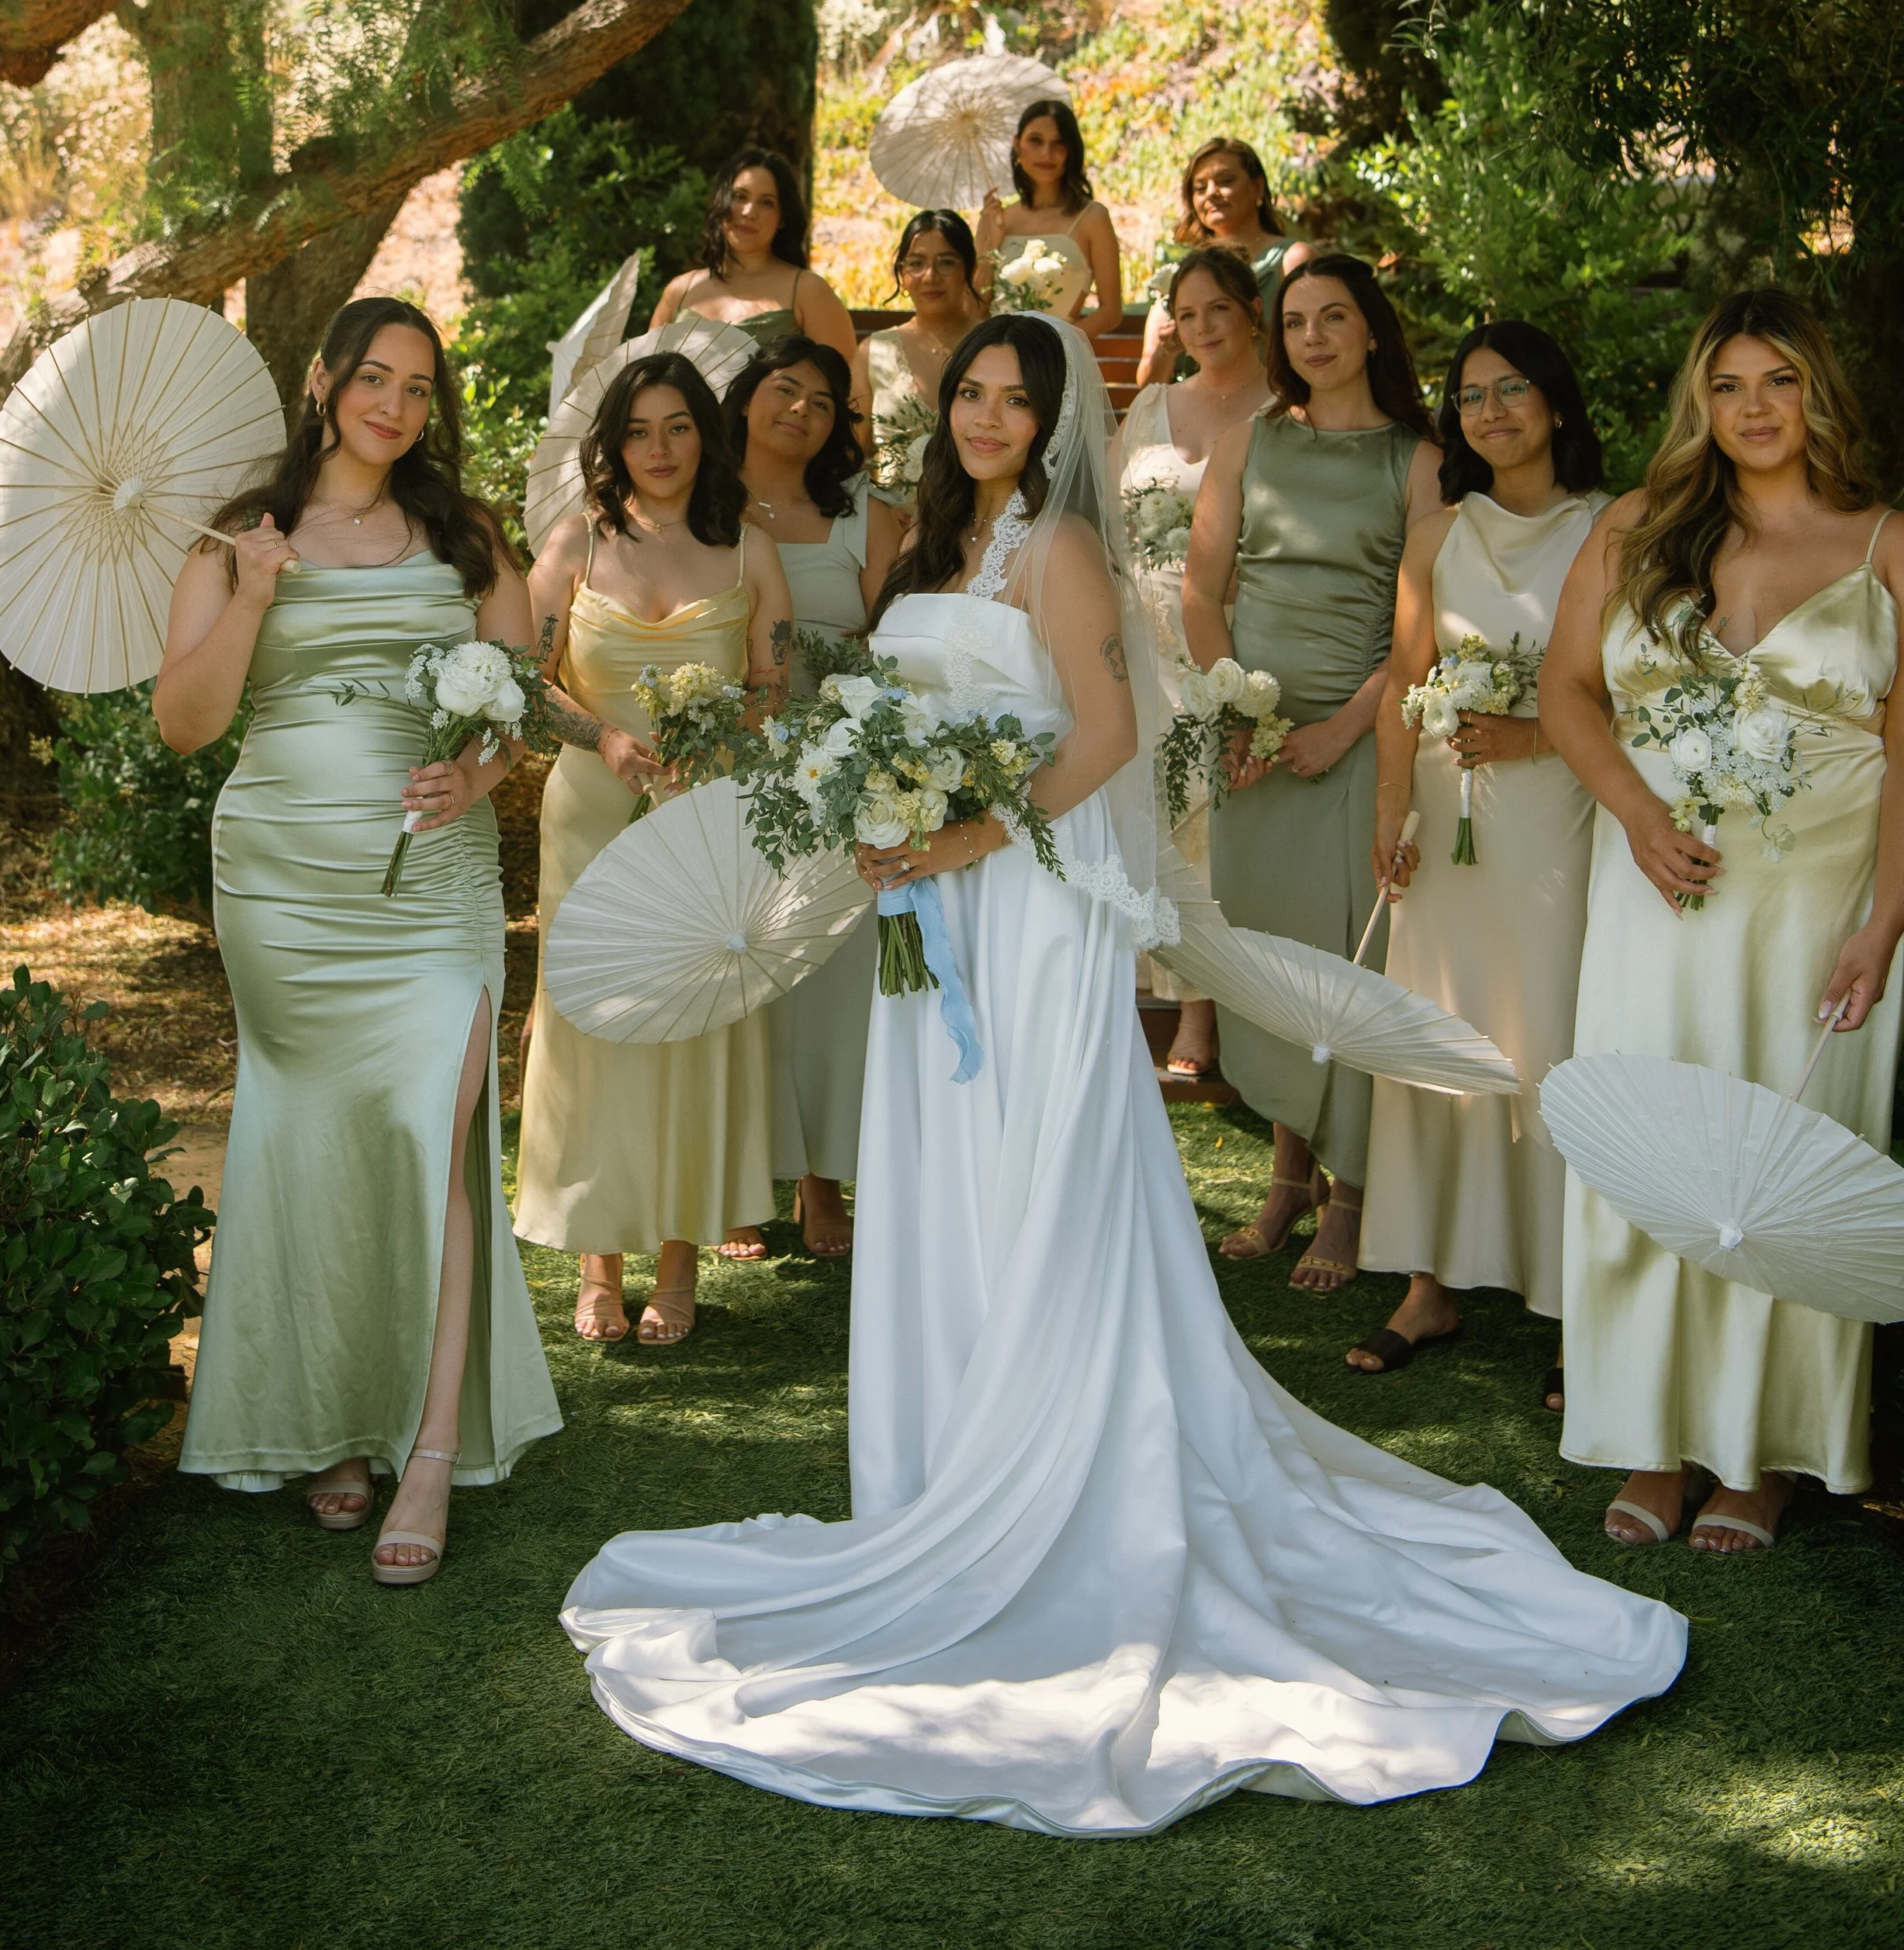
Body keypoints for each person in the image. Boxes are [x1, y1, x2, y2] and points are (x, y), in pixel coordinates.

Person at [558, 313, 1685, 1835]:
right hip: (923, 911)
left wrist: (954, 829)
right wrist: (876, 795)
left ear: (1051, 420)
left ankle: (1057, 1481)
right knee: (946, 1178)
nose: (986, 417)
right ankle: (941, 1470)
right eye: (969, 392)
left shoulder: (1062, 551)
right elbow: (888, 708)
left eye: (1016, 399)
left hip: (1021, 910)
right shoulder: (935, 549)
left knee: (1037, 1176)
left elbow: (1095, 737)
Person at [158, 298, 560, 1582]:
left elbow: (518, 694)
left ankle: (431, 1449)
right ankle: (334, 1422)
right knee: (319, 1139)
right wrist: (254, 594)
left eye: (420, 387)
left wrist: (482, 778)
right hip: (281, 881)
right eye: (374, 377)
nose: (395, 404)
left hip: (431, 883)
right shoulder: (238, 538)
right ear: (325, 381)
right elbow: (186, 722)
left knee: (429, 1147)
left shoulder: (464, 534)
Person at [1541, 288, 1904, 1554]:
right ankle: (1651, 1433)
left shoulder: (1884, 543)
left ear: (1821, 396)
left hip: (1817, 914)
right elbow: (1568, 689)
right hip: (1658, 898)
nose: (1755, 409)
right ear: (1702, 401)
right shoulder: (1639, 529)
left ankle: (1767, 1456)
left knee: (1783, 1160)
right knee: (1657, 1145)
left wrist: (1887, 922)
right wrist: (1637, 815)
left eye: (1781, 383)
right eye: (1731, 386)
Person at [1350, 324, 1608, 1394]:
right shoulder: (1437, 534)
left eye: (1513, 391)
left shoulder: (1612, 529)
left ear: (1554, 404)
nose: (1491, 411)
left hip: (1558, 815)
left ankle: (1572, 1297)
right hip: (1447, 833)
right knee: (1436, 1033)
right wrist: (1393, 814)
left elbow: (1636, 696)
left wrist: (1538, 737)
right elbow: (1405, 686)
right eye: (1469, 396)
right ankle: (1428, 1279)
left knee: (1547, 1038)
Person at [514, 355, 792, 1345]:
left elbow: (775, 682)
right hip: (593, 811)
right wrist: (604, 736)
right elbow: (520, 675)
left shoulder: (748, 549)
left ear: (705, 437)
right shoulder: (575, 545)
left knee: (691, 1026)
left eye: (680, 428)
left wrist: (729, 733)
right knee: (595, 1023)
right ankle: (598, 1262)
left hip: (707, 817)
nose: (661, 449)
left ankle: (677, 1262)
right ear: (613, 442)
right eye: (640, 430)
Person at [1183, 254, 1445, 1292]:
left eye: (1336, 317)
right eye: (1297, 322)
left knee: (1349, 960)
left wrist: (1346, 728)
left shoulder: (1418, 460)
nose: (1316, 337)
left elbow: (1421, 629)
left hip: (1359, 741)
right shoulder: (1248, 443)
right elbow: (1204, 595)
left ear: (1372, 330)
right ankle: (1286, 1178)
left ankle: (1350, 1198)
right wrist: (1234, 708)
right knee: (1271, 959)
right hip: (1255, 747)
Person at [725, 338, 900, 1256]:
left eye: (823, 401)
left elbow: (895, 645)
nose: (801, 409)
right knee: (743, 962)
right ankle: (739, 1175)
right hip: (727, 762)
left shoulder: (866, 516)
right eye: (783, 389)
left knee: (830, 971)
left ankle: (822, 1178)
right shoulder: (697, 503)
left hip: (839, 763)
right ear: (745, 397)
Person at [1116, 246, 1272, 1079]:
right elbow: (1106, 515)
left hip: (1229, 631)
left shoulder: (1284, 410)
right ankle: (1149, 991)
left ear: (1252, 309)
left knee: (1206, 810)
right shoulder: (1149, 404)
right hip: (1138, 632)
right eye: (1187, 310)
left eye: (1220, 307)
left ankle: (1205, 1007)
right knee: (1142, 808)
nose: (1203, 326)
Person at [653, 147, 861, 386]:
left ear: (783, 217)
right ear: (722, 201)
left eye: (766, 203)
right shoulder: (680, 291)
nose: (749, 212)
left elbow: (845, 389)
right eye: (740, 196)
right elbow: (649, 381)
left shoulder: (809, 291)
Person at [1137, 135, 1314, 385]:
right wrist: (1169, 348)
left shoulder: (1291, 260)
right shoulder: (1182, 274)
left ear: (1258, 187)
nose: (1211, 194)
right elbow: (1147, 384)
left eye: (1226, 181)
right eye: (1200, 188)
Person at [859, 208, 983, 508]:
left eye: (946, 263)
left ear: (969, 269)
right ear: (902, 273)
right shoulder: (873, 352)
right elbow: (849, 452)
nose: (930, 277)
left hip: (978, 515)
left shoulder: (995, 346)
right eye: (916, 263)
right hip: (893, 518)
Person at [974, 97, 1123, 331]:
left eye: (1058, 143)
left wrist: (1059, 346)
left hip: (1058, 358)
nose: (1047, 153)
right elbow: (976, 311)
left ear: (1071, 151)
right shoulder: (998, 219)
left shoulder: (1092, 218)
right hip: (996, 354)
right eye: (1036, 141)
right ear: (1017, 146)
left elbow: (1111, 312)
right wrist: (989, 244)